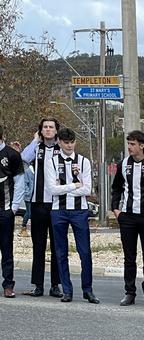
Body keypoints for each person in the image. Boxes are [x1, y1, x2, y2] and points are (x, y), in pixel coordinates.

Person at [45, 128, 96, 303]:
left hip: (79, 211)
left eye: (71, 141)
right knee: (60, 252)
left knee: (85, 252)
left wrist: (65, 188)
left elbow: (87, 189)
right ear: (59, 142)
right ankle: (67, 290)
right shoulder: (51, 162)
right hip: (58, 211)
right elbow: (52, 190)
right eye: (65, 142)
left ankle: (87, 290)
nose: (69, 145)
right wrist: (74, 186)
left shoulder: (84, 161)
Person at [110, 130, 144, 307]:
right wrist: (116, 209)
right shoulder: (123, 164)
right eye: (129, 143)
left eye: (133, 144)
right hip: (128, 216)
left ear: (142, 146)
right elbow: (116, 188)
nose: (130, 147)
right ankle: (129, 292)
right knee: (129, 257)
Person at [20, 117, 63, 298]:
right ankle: (38, 284)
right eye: (44, 127)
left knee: (57, 247)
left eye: (51, 127)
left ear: (56, 130)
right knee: (38, 245)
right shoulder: (37, 148)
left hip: (56, 204)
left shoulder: (61, 149)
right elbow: (23, 158)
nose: (47, 130)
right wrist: (34, 139)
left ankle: (55, 285)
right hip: (38, 204)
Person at [0, 127, 25, 298]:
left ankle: (8, 285)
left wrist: (14, 208)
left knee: (6, 249)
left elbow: (20, 182)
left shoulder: (12, 155)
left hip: (4, 210)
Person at [19, 162, 34, 237]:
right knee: (29, 212)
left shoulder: (37, 170)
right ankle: (23, 228)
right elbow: (25, 184)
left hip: (36, 196)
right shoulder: (28, 171)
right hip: (29, 196)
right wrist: (28, 193)